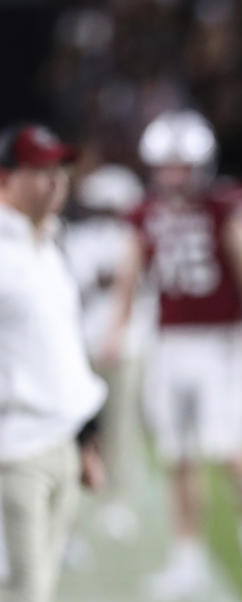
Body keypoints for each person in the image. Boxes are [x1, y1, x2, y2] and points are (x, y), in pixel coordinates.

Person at [101, 109, 242, 600]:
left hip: (222, 341)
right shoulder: (144, 212)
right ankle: (186, 558)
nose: (171, 176)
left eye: (180, 166)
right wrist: (117, 329)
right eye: (164, 166)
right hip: (169, 344)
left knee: (230, 450)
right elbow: (128, 276)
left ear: (200, 165)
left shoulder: (227, 208)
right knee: (177, 456)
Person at [0, 123, 106, 602]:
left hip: (59, 443)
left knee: (35, 597)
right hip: (12, 450)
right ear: (6, 178)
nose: (54, 182)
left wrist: (85, 440)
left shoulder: (51, 241)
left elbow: (62, 351)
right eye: (39, 171)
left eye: (58, 170)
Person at [62, 164, 152, 541]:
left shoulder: (139, 238)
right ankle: (73, 508)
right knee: (77, 431)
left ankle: (118, 501)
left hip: (126, 346)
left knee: (120, 428)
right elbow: (78, 285)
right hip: (82, 345)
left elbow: (138, 288)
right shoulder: (77, 239)